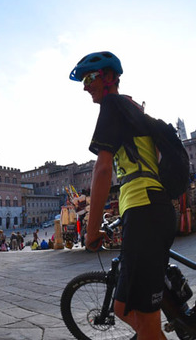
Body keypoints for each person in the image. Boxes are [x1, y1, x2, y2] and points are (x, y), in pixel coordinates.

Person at [70, 51, 176, 339]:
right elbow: (148, 159)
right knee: (121, 308)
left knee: (147, 319)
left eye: (89, 78)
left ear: (108, 78)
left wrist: (91, 231)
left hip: (145, 211)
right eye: (83, 80)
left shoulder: (113, 105)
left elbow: (103, 170)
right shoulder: (133, 109)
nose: (84, 85)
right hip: (147, 208)